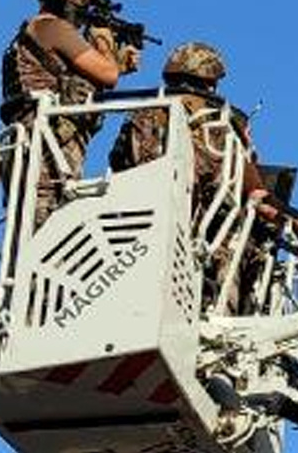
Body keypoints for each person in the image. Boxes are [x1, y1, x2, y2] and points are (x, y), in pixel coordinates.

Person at [110, 42, 282, 310]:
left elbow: (118, 161)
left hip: (135, 232)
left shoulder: (145, 112)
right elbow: (246, 180)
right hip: (200, 239)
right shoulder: (216, 121)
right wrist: (280, 213)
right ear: (211, 79)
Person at [0, 0, 141, 226]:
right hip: (46, 152)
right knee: (46, 235)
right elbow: (107, 74)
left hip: (37, 147)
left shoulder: (37, 30)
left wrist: (117, 60)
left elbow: (79, 76)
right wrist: (103, 36)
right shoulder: (53, 28)